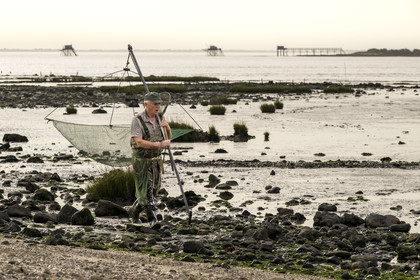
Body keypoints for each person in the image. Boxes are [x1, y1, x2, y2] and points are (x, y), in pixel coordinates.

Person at [128, 92, 171, 224]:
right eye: (155, 104)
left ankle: (134, 214)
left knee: (153, 190)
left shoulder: (160, 118)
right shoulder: (137, 120)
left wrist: (167, 128)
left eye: (159, 103)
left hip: (156, 160)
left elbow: (168, 139)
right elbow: (139, 142)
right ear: (146, 104)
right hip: (142, 161)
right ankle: (153, 220)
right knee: (146, 191)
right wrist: (159, 144)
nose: (158, 106)